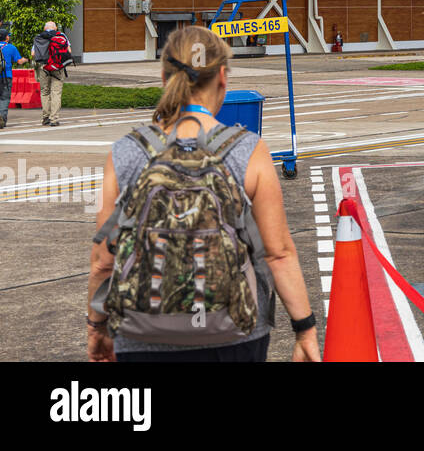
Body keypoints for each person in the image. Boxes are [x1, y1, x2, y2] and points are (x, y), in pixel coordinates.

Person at [87, 25, 320, 362]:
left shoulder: (126, 151)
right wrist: (305, 328)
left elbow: (102, 261)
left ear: (164, 76)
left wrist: (96, 327)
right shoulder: (248, 150)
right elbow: (278, 253)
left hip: (142, 335)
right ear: (223, 78)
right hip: (234, 335)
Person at [32, 21, 71, 127]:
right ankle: (54, 119)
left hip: (43, 67)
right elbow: (69, 51)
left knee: (44, 92)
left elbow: (33, 53)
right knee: (56, 93)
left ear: (45, 28)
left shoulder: (40, 37)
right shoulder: (62, 36)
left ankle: (45, 118)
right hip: (58, 68)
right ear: (55, 28)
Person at [0, 29, 27, 130]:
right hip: (6, 76)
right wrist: (25, 59)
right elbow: (19, 61)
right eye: (8, 35)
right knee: (4, 99)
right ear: (6, 37)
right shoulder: (11, 47)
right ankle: (2, 120)